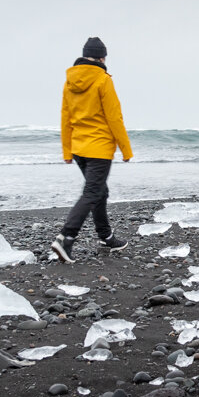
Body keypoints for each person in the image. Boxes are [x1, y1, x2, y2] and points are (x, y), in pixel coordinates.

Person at [51, 37, 133, 264]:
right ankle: (66, 237)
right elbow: (114, 117)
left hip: (79, 147)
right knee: (92, 193)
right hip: (99, 147)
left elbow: (65, 117)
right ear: (102, 57)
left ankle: (105, 236)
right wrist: (126, 149)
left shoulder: (69, 81)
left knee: (99, 191)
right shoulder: (103, 80)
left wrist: (67, 151)